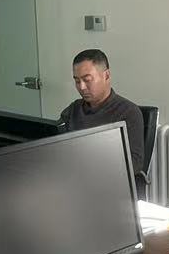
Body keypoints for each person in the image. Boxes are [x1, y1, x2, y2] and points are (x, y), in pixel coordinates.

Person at [57, 48, 147, 176]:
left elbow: (135, 164)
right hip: (74, 175)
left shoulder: (128, 112)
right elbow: (56, 144)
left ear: (106, 76)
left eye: (87, 80)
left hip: (107, 178)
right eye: (77, 81)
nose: (81, 87)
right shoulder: (73, 109)